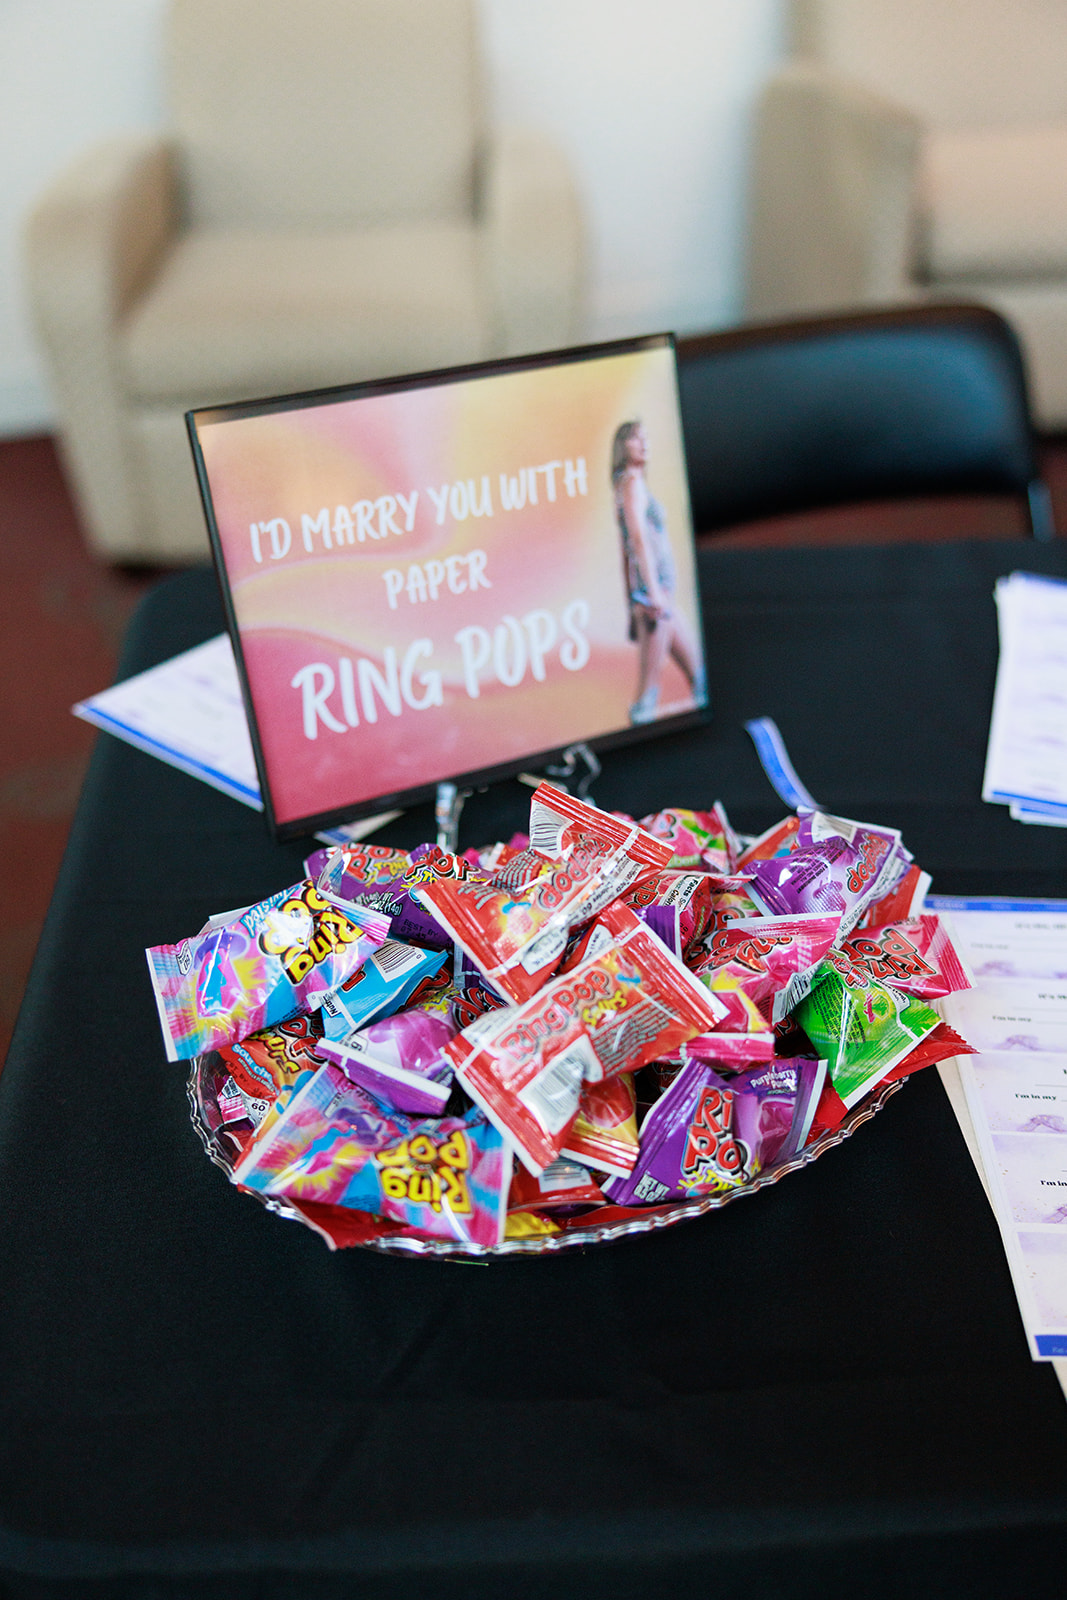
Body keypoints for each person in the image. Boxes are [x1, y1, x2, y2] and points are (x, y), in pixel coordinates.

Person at [611, 419, 704, 724]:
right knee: (646, 696)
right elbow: (636, 541)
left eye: (646, 438)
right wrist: (650, 593)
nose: (645, 444)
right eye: (637, 439)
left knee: (698, 674)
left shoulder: (634, 483)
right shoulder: (631, 484)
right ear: (623, 445)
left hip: (660, 593)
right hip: (654, 596)